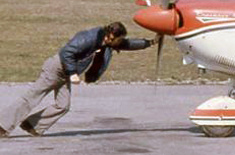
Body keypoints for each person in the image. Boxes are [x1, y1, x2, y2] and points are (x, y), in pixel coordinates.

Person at [0, 22, 153, 137]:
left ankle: (31, 125)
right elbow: (67, 52)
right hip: (56, 68)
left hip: (65, 73)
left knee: (63, 105)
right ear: (111, 35)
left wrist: (150, 43)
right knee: (31, 98)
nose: (120, 43)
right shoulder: (89, 37)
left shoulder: (109, 41)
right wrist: (73, 72)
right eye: (119, 40)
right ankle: (2, 126)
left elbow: (128, 44)